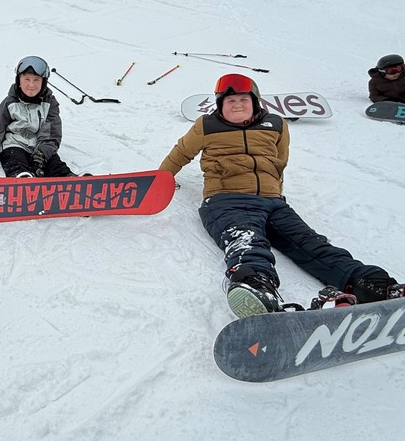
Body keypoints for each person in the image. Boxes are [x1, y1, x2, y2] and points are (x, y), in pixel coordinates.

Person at [159, 73, 401, 318]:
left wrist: (275, 192)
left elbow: (279, 160)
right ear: (220, 105)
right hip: (226, 200)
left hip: (273, 202)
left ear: (255, 102)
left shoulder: (275, 124)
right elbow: (181, 153)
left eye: (243, 99)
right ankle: (255, 285)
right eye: (230, 101)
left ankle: (371, 283)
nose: (237, 105)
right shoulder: (206, 126)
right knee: (247, 241)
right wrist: (159, 180)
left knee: (312, 244)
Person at [0, 56, 78, 180]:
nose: (31, 85)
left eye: (36, 80)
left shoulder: (49, 104)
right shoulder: (10, 103)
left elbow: (51, 133)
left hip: (39, 146)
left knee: (54, 163)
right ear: (19, 80)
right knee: (14, 160)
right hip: (14, 144)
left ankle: (71, 180)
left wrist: (41, 155)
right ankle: (21, 179)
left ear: (44, 82)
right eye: (27, 79)